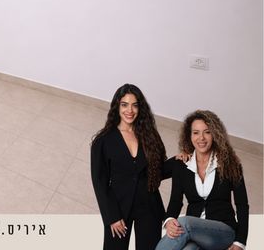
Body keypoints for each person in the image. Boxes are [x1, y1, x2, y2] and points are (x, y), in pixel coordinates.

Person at [91, 83, 171, 250]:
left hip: (149, 206)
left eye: (135, 105)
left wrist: (178, 161)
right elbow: (100, 182)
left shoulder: (150, 136)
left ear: (140, 108)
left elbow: (158, 171)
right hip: (118, 208)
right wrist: (112, 216)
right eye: (124, 105)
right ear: (117, 107)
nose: (130, 110)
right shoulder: (103, 141)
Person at [155, 110, 249, 250]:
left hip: (223, 231)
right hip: (194, 234)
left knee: (185, 223)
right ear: (189, 136)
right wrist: (169, 220)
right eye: (196, 133)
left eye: (207, 132)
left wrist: (240, 242)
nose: (201, 138)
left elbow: (242, 205)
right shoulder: (181, 165)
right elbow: (175, 201)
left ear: (215, 135)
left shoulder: (230, 164)